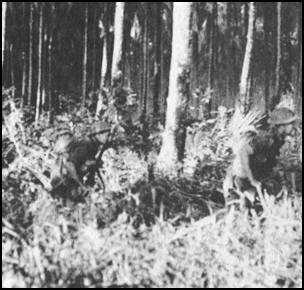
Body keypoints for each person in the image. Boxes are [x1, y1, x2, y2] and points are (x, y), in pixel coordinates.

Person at [223, 107, 298, 204]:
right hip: (240, 178)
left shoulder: (278, 140)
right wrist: (251, 180)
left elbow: (273, 164)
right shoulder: (264, 139)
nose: (293, 126)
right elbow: (242, 153)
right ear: (281, 126)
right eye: (291, 123)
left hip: (257, 175)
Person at [51, 121, 113, 196]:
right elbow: (69, 164)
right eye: (107, 135)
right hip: (63, 182)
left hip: (70, 182)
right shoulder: (85, 145)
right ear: (99, 134)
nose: (110, 138)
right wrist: (81, 185)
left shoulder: (93, 146)